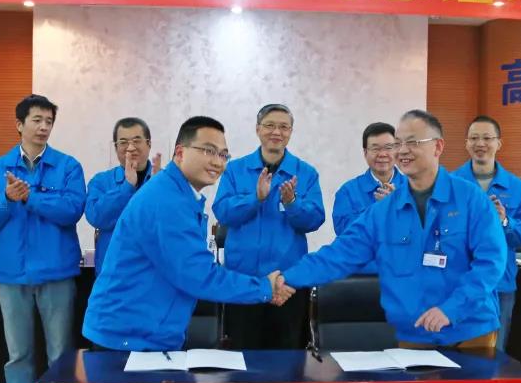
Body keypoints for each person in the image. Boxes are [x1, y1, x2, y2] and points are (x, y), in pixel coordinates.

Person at [280, 109, 505, 348]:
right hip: (415, 331)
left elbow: (491, 262)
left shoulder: (471, 199)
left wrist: (451, 309)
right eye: (398, 143)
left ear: (438, 146)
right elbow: (338, 255)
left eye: (413, 142)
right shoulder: (383, 211)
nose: (403, 151)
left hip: (470, 331)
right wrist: (285, 278)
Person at [83, 116, 292, 351]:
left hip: (146, 332)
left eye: (223, 155)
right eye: (208, 151)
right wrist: (264, 288)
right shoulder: (167, 200)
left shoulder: (180, 195)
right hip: (127, 338)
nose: (217, 162)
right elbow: (198, 274)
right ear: (180, 152)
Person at [0, 94, 86, 383]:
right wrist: (7, 198)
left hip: (56, 273)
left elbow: (72, 210)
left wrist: (30, 198)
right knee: (18, 355)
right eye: (36, 120)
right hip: (12, 274)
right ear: (19, 124)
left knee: (60, 353)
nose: (43, 127)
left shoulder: (67, 166)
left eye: (48, 121)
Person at [214, 103, 324, 349]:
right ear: (257, 129)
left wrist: (292, 203)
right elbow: (222, 212)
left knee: (288, 357)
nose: (277, 132)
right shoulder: (235, 170)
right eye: (270, 125)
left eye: (284, 127)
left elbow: (316, 219)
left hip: (288, 284)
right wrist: (255, 198)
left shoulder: (305, 173)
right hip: (243, 281)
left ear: (291, 132)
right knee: (241, 356)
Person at [451, 115, 521, 350]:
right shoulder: (449, 184)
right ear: (466, 143)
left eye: (487, 138)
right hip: (457, 283)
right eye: (474, 138)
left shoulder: (518, 188)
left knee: (494, 354)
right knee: (454, 354)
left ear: (499, 143)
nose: (480, 144)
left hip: (499, 284)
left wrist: (504, 221)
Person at [84, 117, 160, 271]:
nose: (130, 148)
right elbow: (96, 217)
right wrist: (127, 187)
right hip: (114, 273)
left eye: (137, 141)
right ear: (116, 147)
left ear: (149, 144)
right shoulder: (101, 181)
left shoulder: (164, 181)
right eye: (123, 142)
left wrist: (160, 190)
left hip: (154, 272)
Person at [331, 121, 404, 274]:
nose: (382, 154)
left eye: (388, 147)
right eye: (375, 148)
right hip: (362, 275)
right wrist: (379, 211)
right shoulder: (347, 192)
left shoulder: (415, 188)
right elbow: (347, 236)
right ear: (365, 153)